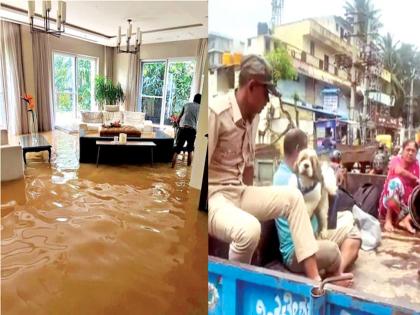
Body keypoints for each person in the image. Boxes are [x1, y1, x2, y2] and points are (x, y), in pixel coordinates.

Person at [208, 54, 322, 282]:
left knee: (293, 196)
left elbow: (248, 169)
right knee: (249, 230)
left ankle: (315, 280)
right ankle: (231, 289)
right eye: (266, 92)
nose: (268, 100)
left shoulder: (253, 116)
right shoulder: (216, 113)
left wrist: (248, 203)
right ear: (252, 87)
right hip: (213, 197)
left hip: (238, 192)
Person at [273, 129, 361, 286]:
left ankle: (335, 274)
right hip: (298, 251)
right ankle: (334, 278)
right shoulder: (290, 179)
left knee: (351, 227)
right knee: (334, 249)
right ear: (299, 149)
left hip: (313, 235)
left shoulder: (285, 172)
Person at [379, 139, 420, 234]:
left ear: (416, 153)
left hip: (408, 207)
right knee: (394, 183)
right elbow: (398, 171)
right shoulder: (395, 160)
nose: (410, 153)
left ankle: (406, 220)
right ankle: (388, 220)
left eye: (413, 151)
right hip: (391, 203)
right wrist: (415, 178)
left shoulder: (417, 166)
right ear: (403, 150)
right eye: (408, 150)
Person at [171, 93, 201, 168]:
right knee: (190, 150)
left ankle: (172, 167)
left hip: (182, 129)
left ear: (194, 98)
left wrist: (177, 124)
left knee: (177, 149)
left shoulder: (186, 104)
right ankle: (188, 168)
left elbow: (179, 117)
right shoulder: (201, 107)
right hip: (192, 130)